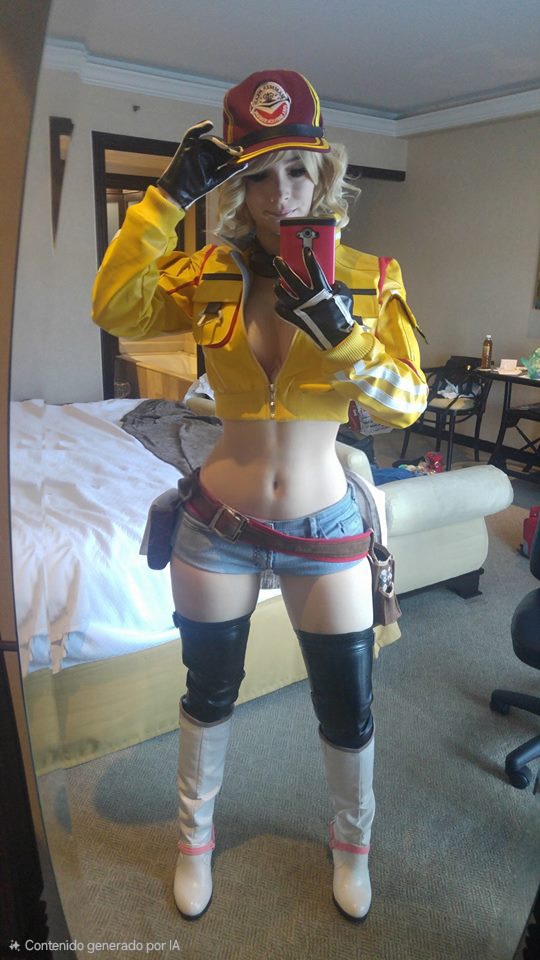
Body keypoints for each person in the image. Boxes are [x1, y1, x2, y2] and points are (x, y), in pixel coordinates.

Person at [92, 69, 428, 923]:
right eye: (259, 176)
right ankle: (193, 841)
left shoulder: (370, 277)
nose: (281, 193)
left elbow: (407, 404)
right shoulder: (209, 271)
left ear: (325, 175)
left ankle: (352, 845)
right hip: (218, 524)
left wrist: (343, 334)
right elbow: (115, 308)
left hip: (327, 527)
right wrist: (164, 200)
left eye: (297, 171)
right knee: (208, 693)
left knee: (347, 704)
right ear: (239, 190)